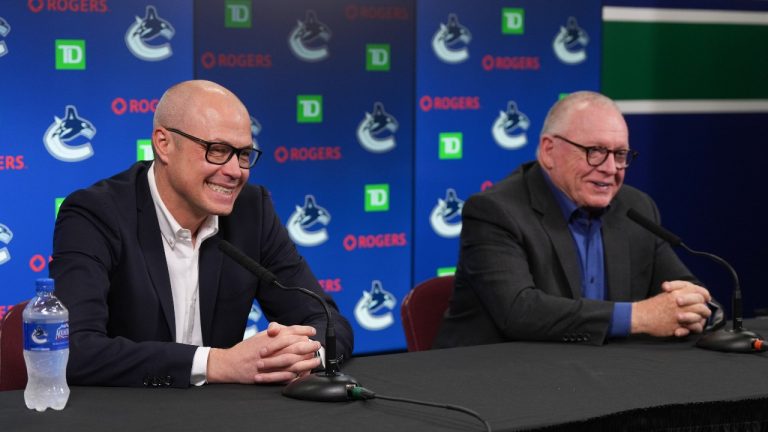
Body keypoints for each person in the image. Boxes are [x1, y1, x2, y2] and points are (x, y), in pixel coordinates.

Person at [50, 80, 353, 388]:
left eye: (243, 154)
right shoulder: (96, 214)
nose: (235, 171)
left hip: (222, 409)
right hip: (127, 408)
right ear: (164, 144)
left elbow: (330, 323)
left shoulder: (252, 211)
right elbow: (72, 349)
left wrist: (303, 355)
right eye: (217, 150)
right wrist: (217, 363)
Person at [434, 91, 721, 348]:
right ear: (549, 151)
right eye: (595, 152)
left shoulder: (636, 208)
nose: (610, 168)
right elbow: (519, 311)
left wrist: (697, 308)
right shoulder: (495, 211)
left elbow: (683, 287)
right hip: (494, 375)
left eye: (620, 154)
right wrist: (637, 317)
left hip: (598, 372)